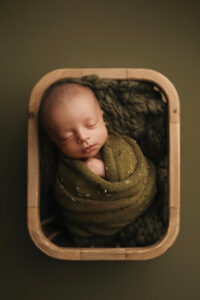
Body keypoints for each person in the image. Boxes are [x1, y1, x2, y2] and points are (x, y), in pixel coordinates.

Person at [39, 82, 157, 240]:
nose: (82, 137)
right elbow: (69, 204)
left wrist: (103, 170)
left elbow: (141, 171)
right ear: (54, 140)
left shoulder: (122, 145)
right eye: (67, 137)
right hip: (96, 227)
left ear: (102, 116)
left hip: (142, 199)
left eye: (90, 125)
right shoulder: (65, 173)